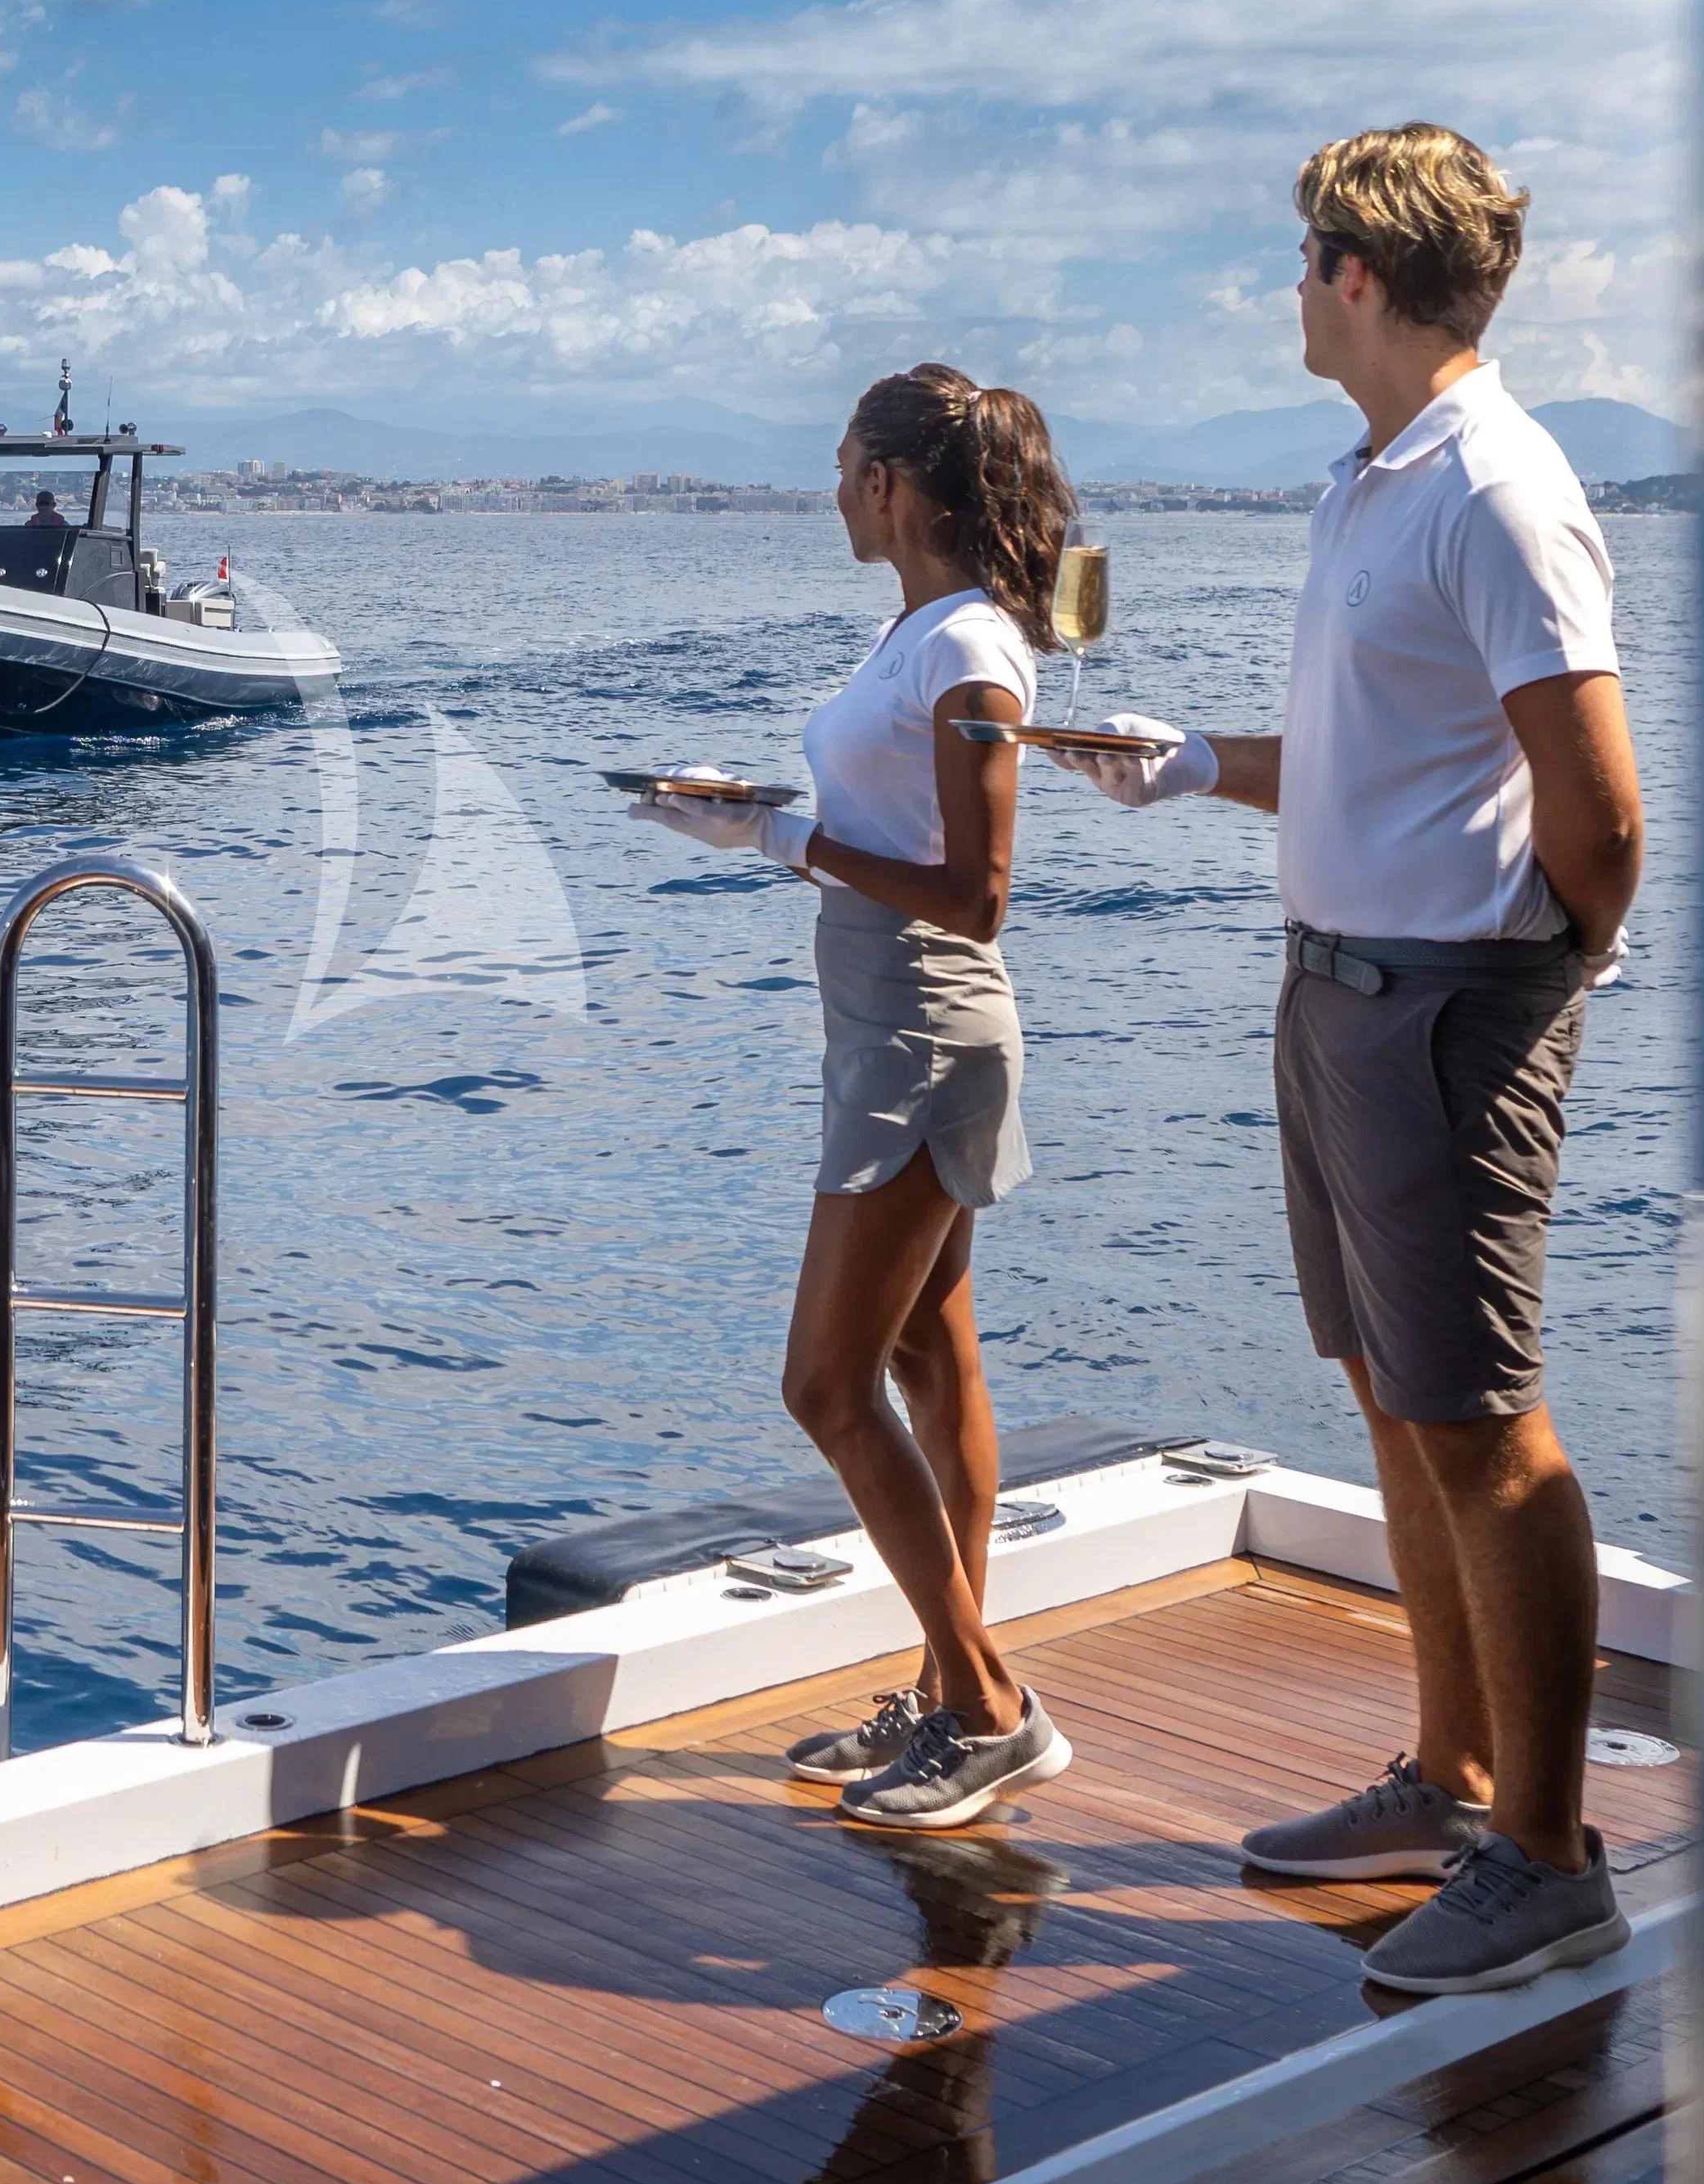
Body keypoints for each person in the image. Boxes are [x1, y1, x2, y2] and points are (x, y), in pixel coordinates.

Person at [1065, 124, 1643, 1993]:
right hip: (1339, 992)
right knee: (1396, 1387)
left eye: (1304, 254)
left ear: (1360, 275)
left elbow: (1603, 813)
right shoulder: (1370, 486)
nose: (1289, 285)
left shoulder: (1494, 489)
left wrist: (1547, 973)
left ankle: (1549, 1857)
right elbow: (1389, 766)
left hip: (1446, 1004)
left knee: (1479, 1411)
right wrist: (1197, 765)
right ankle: (1455, 1776)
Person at [627, 362, 1078, 1831]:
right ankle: (957, 1695)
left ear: (892, 485)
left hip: (922, 1037)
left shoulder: (969, 655)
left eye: (841, 466)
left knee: (825, 1383)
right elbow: (886, 834)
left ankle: (986, 1706)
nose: (831, 490)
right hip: (888, 1025)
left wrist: (781, 839)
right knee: (932, 1367)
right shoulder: (925, 635)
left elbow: (978, 894)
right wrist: (757, 818)